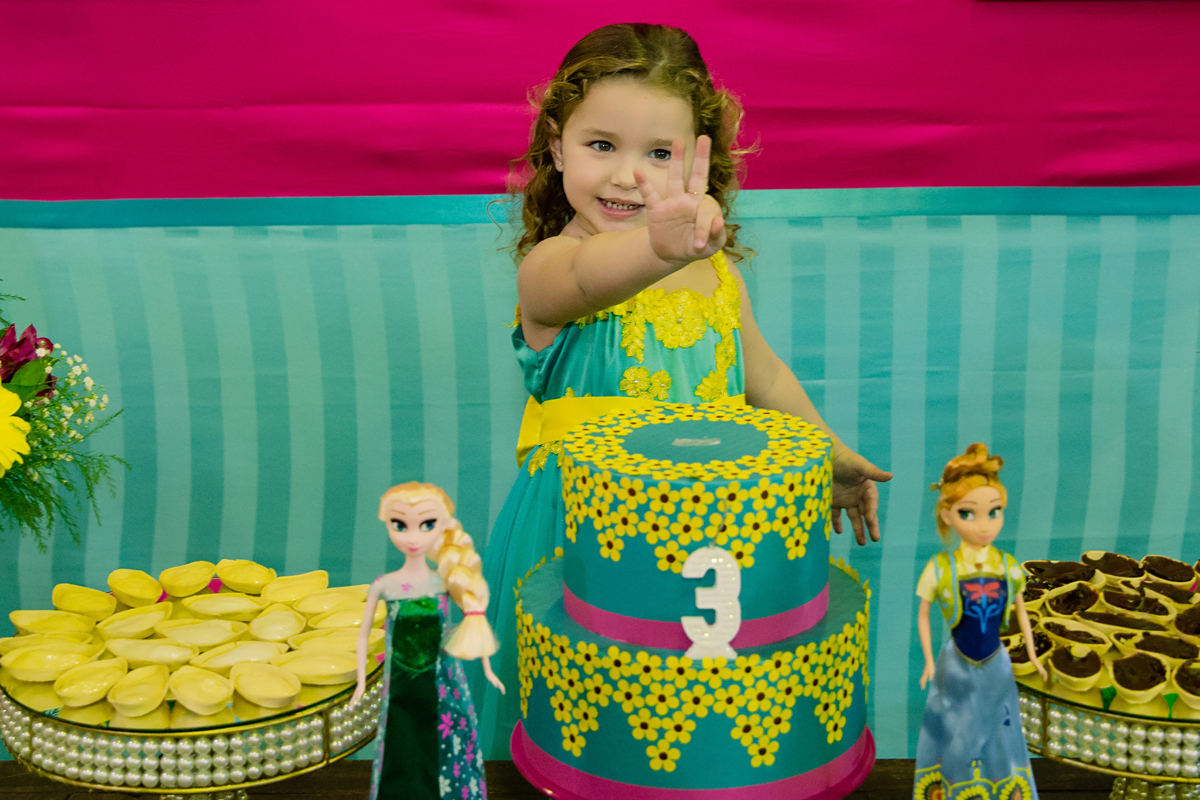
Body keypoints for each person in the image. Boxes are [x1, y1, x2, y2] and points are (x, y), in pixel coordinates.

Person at [478, 22, 892, 758]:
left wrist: (828, 453)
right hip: (583, 537)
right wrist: (656, 247)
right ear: (556, 147)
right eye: (601, 145)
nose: (629, 176)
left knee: (685, 735)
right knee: (587, 732)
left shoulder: (717, 276)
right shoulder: (549, 269)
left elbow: (764, 377)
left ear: (700, 161)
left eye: (659, 154)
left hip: (711, 539)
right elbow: (588, 281)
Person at [351, 482, 505, 800]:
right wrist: (360, 684)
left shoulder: (444, 582)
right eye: (400, 525)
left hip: (442, 682)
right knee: (401, 749)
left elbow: (473, 620)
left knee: (445, 750)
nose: (412, 537)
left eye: (426, 524)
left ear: (443, 526)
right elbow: (364, 635)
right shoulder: (385, 585)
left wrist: (488, 668)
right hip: (400, 683)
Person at [912, 444, 1045, 800]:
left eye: (994, 512)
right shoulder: (941, 568)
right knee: (956, 733)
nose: (984, 525)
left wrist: (1032, 655)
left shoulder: (1008, 566)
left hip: (996, 663)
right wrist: (928, 661)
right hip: (955, 663)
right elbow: (923, 616)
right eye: (968, 513)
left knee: (1001, 731)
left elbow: (1021, 612)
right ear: (947, 514)